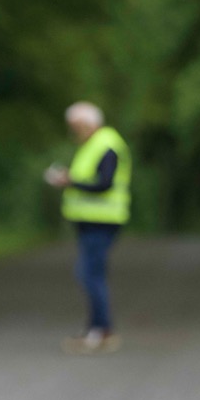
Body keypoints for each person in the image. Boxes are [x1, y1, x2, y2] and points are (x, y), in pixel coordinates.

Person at [44, 101, 132, 355]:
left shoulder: (107, 145)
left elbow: (105, 183)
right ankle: (96, 328)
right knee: (91, 273)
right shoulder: (94, 144)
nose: (73, 132)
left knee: (90, 274)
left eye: (76, 126)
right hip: (91, 221)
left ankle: (101, 331)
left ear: (89, 123)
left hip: (102, 221)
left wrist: (70, 181)